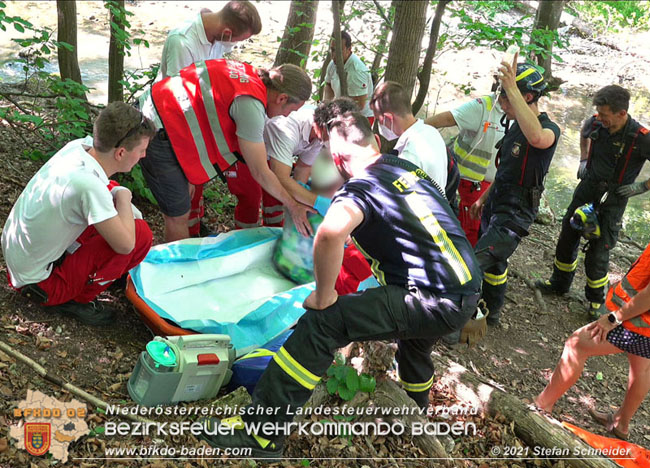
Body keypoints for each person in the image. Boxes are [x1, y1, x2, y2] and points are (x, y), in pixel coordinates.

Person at [197, 111, 482, 457]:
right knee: (416, 344)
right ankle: (414, 414)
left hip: (431, 297)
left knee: (323, 324)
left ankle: (260, 434)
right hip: (466, 287)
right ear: (375, 140)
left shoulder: (361, 187)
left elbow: (330, 234)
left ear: (337, 158)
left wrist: (323, 295)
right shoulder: (404, 168)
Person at [1, 102, 155, 326]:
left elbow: (102, 190)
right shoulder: (88, 185)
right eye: (142, 150)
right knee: (140, 235)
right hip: (39, 284)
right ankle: (78, 299)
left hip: (20, 262)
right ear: (121, 153)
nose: (143, 155)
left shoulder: (78, 149)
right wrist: (124, 196)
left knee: (114, 200)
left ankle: (90, 272)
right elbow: (126, 245)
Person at [138, 60, 314, 242]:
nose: (287, 116)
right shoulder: (251, 105)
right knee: (178, 217)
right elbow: (260, 172)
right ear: (282, 98)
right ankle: (179, 269)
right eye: (292, 110)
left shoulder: (248, 74)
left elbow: (200, 109)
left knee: (183, 207)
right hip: (157, 128)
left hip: (167, 121)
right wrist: (294, 207)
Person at [536, 85, 650, 318]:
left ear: (621, 113)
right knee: (568, 235)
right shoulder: (596, 122)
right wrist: (584, 158)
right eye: (599, 113)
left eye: (606, 115)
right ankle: (559, 283)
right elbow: (584, 131)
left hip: (614, 199)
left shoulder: (641, 137)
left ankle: (596, 301)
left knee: (598, 252)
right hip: (587, 189)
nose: (601, 118)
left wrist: (641, 187)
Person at [155, 1, 263, 237]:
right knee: (183, 200)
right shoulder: (182, 42)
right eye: (236, 40)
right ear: (227, 32)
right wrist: (188, 166)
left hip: (199, 125)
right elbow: (178, 106)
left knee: (197, 188)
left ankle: (195, 227)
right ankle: (182, 252)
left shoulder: (216, 37)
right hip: (171, 132)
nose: (234, 46)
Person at [471, 60, 560, 327]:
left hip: (515, 213)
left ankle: (454, 321)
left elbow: (538, 139)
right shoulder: (514, 126)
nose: (501, 103)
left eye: (506, 97)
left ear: (528, 97)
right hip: (496, 203)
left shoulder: (547, 128)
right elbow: (506, 168)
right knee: (495, 263)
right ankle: (492, 312)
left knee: (473, 263)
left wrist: (512, 87)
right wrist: (484, 198)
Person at [534, 242, 650, 440]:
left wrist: (615, 318)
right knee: (642, 368)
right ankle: (620, 424)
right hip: (643, 324)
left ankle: (541, 407)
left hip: (640, 323)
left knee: (577, 344)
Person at [425, 82, 506, 245]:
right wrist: (416, 134)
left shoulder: (520, 114)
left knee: (483, 228)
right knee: (470, 229)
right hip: (469, 182)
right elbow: (444, 119)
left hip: (495, 183)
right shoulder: (482, 108)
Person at [370, 80, 459, 204]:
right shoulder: (431, 131)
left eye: (379, 120)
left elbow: (399, 202)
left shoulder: (410, 156)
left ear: (388, 118)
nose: (378, 125)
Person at [261, 106, 331, 226]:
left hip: (276, 155)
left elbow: (303, 167)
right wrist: (316, 202)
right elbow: (281, 179)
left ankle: (275, 229)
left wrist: (300, 202)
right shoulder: (286, 129)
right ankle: (244, 237)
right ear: (321, 127)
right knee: (250, 201)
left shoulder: (320, 134)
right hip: (248, 153)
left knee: (279, 202)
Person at [323, 31, 374, 123]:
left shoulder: (357, 71)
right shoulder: (332, 64)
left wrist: (335, 110)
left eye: (339, 51)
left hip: (361, 118)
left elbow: (359, 104)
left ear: (349, 49)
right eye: (332, 50)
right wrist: (327, 104)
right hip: (340, 111)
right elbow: (328, 85)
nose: (334, 55)